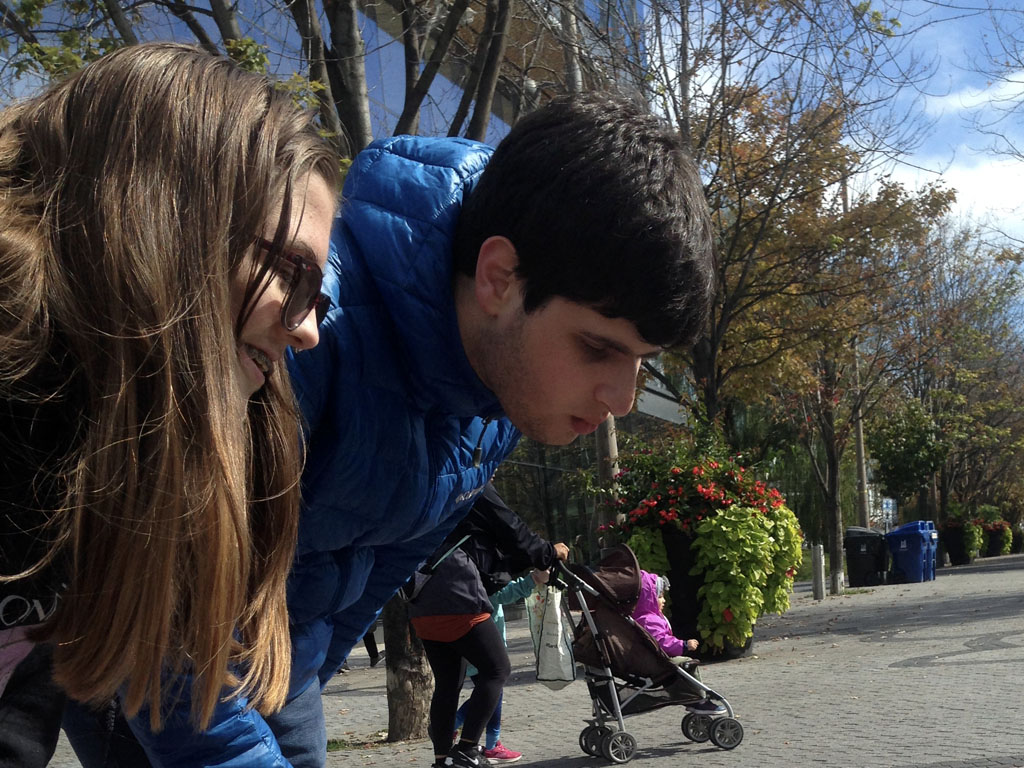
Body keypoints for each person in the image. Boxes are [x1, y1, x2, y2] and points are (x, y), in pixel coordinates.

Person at [103, 91, 716, 768]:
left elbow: (382, 564)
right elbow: (160, 606)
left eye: (642, 362)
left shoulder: (499, 396)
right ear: (498, 278)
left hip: (282, 669)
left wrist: (301, 675)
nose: (622, 399)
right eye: (598, 348)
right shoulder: (301, 337)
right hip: (141, 657)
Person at [0, 42, 341, 767]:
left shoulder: (93, 454)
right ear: (159, 223)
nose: (309, 330)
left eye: (321, 295)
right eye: (293, 275)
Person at [405, 486, 567, 767]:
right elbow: (511, 527)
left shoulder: (426, 487)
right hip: (456, 592)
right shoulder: (470, 482)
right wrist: (547, 553)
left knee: (448, 683)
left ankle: (442, 760)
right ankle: (468, 748)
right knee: (497, 669)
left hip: (420, 598)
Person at [452, 568, 549, 763]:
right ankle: (481, 740)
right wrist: (534, 579)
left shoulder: (465, 572)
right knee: (490, 694)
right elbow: (504, 592)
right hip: (484, 646)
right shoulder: (482, 574)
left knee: (490, 693)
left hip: (468, 641)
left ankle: (484, 740)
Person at [631, 571, 724, 715]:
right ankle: (698, 699)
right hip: (656, 662)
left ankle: (691, 696)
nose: (664, 601)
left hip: (651, 660)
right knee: (687, 663)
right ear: (648, 599)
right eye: (660, 597)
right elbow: (661, 642)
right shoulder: (649, 620)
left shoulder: (642, 617)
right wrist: (683, 645)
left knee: (679, 666)